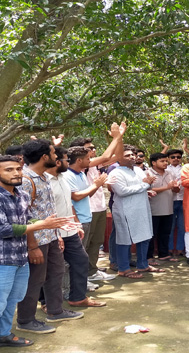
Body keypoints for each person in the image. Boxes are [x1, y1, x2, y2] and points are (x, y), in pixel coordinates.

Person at [0, 155, 72, 353]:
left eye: (17, 169)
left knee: (12, 300)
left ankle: (2, 335)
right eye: (8, 170)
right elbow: (3, 230)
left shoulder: (21, 195)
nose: (16, 173)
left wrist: (51, 225)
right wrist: (41, 224)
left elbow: (26, 220)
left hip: (20, 258)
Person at [16, 139, 83, 334]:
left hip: (51, 237)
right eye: (54, 153)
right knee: (35, 280)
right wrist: (32, 246)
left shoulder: (44, 177)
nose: (57, 157)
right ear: (44, 157)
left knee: (56, 273)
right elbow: (23, 217)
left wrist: (57, 235)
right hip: (36, 240)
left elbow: (47, 210)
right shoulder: (26, 181)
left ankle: (55, 310)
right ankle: (26, 320)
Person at [46, 146, 105, 308]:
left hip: (71, 227)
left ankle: (78, 297)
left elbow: (68, 203)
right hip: (54, 229)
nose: (68, 162)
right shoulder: (45, 181)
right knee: (59, 265)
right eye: (66, 159)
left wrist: (75, 223)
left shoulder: (61, 178)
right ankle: (55, 298)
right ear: (56, 161)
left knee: (80, 259)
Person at [67, 122, 124, 283]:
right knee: (84, 244)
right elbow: (107, 157)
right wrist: (117, 136)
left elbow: (118, 157)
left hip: (98, 206)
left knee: (96, 242)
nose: (93, 150)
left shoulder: (93, 164)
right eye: (89, 148)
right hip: (86, 209)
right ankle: (81, 276)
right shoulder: (84, 165)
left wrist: (119, 139)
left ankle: (91, 271)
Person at [108, 145, 161, 279]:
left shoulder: (138, 170)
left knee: (145, 235)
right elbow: (122, 191)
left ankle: (143, 264)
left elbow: (145, 185)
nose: (132, 157)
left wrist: (147, 187)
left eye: (133, 154)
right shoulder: (115, 172)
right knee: (124, 239)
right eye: (127, 155)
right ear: (118, 158)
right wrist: (145, 185)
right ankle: (123, 269)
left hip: (142, 208)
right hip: (125, 210)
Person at [146, 153, 179, 265]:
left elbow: (175, 190)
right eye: (162, 161)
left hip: (168, 208)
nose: (166, 163)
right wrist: (167, 187)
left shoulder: (169, 173)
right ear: (154, 162)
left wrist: (175, 188)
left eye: (166, 161)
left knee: (165, 233)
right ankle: (149, 256)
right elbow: (148, 189)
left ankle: (163, 254)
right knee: (151, 234)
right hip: (153, 209)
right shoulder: (148, 173)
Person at [165, 148, 186, 258]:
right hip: (169, 200)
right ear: (168, 159)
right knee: (170, 226)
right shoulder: (165, 170)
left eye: (178, 157)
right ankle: (168, 248)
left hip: (183, 199)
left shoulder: (185, 169)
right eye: (173, 157)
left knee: (182, 226)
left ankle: (180, 248)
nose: (176, 159)